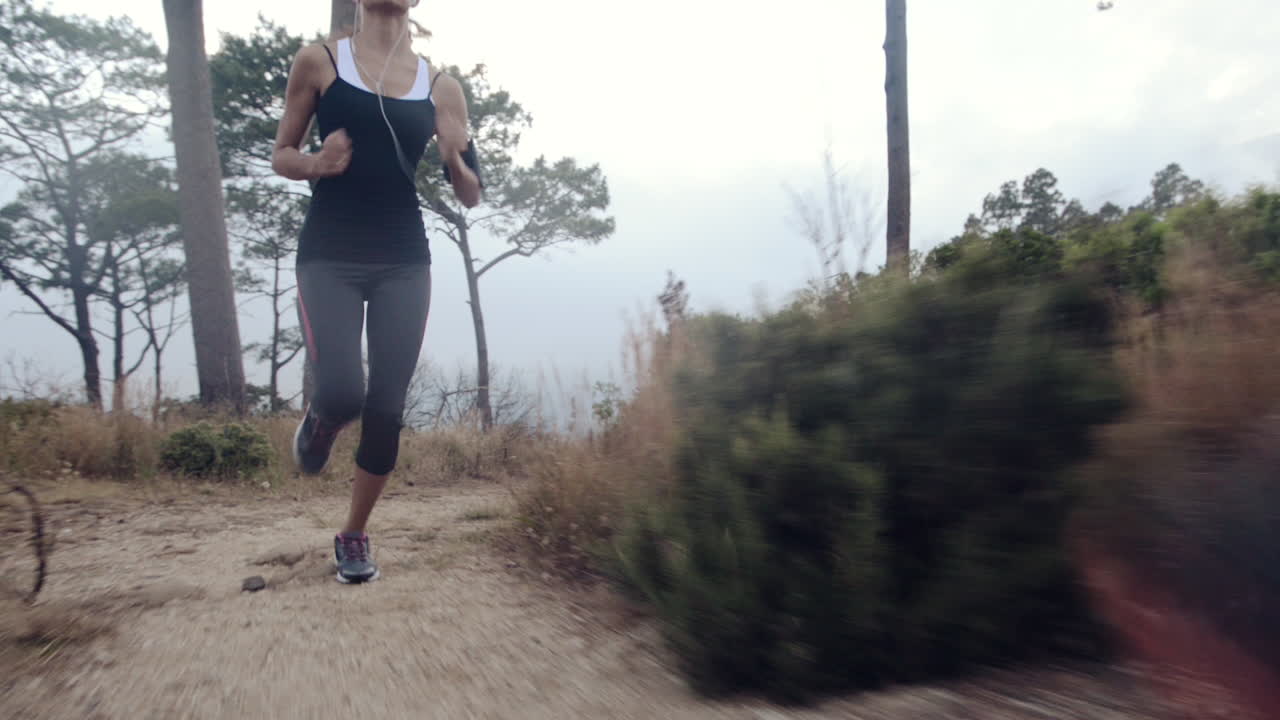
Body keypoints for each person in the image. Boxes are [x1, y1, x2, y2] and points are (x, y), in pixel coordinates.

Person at [270, 0, 481, 584]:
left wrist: (455, 158)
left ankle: (354, 533)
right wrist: (316, 163)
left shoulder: (443, 87)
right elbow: (281, 154)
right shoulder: (318, 62)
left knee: (386, 409)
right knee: (342, 392)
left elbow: (471, 194)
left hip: (403, 260)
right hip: (330, 254)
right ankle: (319, 423)